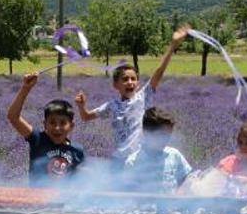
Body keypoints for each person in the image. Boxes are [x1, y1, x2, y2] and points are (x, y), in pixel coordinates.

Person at [75, 25, 191, 167]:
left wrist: (173, 45)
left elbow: (159, 71)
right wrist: (81, 106)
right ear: (115, 85)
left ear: (137, 83)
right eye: (124, 79)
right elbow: (86, 117)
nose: (129, 82)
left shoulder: (143, 97)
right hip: (118, 160)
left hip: (141, 159)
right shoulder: (111, 105)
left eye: (133, 79)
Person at [7, 73, 84, 187]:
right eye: (52, 123)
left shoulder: (77, 151)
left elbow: (80, 183)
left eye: (63, 123)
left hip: (65, 202)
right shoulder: (38, 139)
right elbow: (13, 117)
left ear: (71, 126)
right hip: (36, 202)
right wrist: (26, 88)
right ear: (45, 124)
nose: (57, 128)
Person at [124, 107, 194, 194]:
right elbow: (128, 194)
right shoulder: (132, 162)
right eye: (161, 135)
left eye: (168, 135)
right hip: (143, 207)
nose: (166, 139)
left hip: (172, 207)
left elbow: (187, 178)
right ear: (146, 133)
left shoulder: (174, 155)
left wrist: (182, 190)